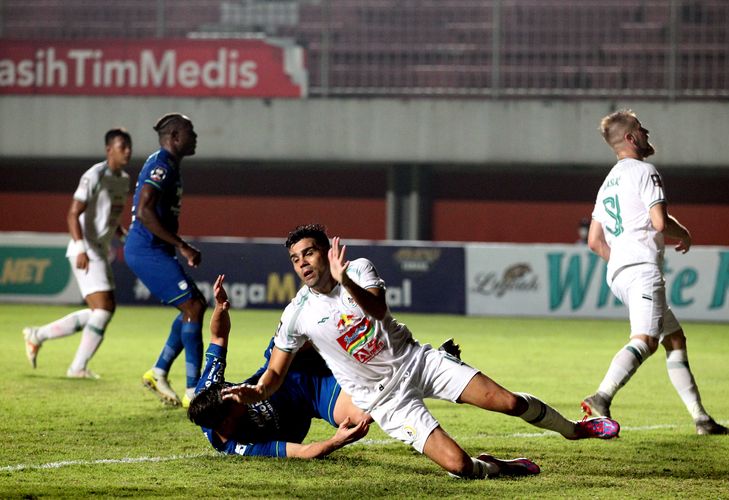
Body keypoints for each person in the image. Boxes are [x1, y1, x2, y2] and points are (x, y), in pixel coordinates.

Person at [222, 224, 620, 479]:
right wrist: (253, 392)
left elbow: (377, 309)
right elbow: (274, 375)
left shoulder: (357, 269)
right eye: (295, 258)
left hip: (418, 362)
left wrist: (347, 283)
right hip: (384, 401)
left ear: (327, 251)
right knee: (460, 467)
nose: (302, 263)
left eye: (308, 252)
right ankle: (499, 466)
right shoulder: (297, 314)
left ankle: (576, 429)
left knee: (510, 402)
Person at [581, 109, 729, 436]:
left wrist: (623, 258)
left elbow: (595, 242)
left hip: (619, 274)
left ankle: (702, 419)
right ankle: (601, 396)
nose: (646, 131)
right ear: (630, 137)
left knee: (674, 339)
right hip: (641, 271)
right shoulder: (645, 171)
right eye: (640, 128)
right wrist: (687, 234)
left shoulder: (607, 183)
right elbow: (660, 223)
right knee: (646, 341)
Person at [188, 274, 371, 458]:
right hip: (314, 395)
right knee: (363, 415)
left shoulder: (209, 388)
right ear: (227, 422)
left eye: (231, 390)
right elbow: (301, 452)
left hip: (285, 365)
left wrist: (220, 307)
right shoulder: (242, 445)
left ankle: (350, 299)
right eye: (235, 400)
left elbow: (218, 337)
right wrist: (336, 441)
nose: (237, 392)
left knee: (309, 326)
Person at [23, 128, 132, 379]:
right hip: (85, 248)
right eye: (122, 146)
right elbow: (73, 213)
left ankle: (37, 335)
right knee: (104, 309)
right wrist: (81, 247)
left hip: (100, 249)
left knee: (101, 310)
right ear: (109, 150)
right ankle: (77, 368)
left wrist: (123, 235)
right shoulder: (94, 175)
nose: (127, 151)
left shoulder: (123, 179)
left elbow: (110, 215)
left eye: (129, 146)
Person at [124, 113, 206, 408]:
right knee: (193, 306)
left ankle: (158, 371)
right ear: (174, 136)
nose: (195, 136)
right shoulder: (161, 165)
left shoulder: (168, 164)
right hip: (147, 250)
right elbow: (145, 211)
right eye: (189, 131)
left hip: (154, 249)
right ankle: (194, 391)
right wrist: (183, 246)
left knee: (193, 306)